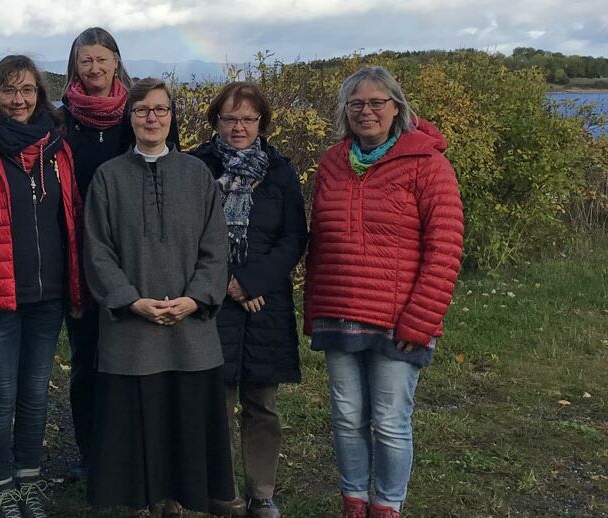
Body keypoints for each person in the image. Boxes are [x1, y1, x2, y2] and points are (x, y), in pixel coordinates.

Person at [304, 66, 464, 518]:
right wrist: (313, 308)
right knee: (347, 418)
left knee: (391, 423)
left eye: (377, 102)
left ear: (397, 107)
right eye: (357, 104)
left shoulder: (428, 164)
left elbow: (445, 247)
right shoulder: (333, 162)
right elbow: (320, 240)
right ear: (345, 111)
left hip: (398, 319)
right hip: (339, 311)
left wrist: (422, 319)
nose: (366, 111)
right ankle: (354, 502)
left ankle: (386, 506)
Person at [83, 77, 234, 518]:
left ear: (172, 117)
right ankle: (137, 501)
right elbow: (97, 249)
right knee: (135, 422)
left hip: (191, 329)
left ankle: (178, 500)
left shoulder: (196, 174)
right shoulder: (108, 178)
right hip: (131, 329)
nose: (152, 118)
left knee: (183, 419)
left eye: (161, 110)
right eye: (142, 110)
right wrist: (130, 300)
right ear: (129, 119)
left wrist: (195, 299)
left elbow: (215, 247)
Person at [0, 55, 83, 518]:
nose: (19, 100)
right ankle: (0, 480)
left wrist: (76, 289)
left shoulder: (57, 149)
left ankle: (29, 478)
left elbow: (71, 221)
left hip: (48, 299)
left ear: (39, 95)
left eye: (27, 90)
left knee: (36, 393)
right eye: (9, 91)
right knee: (0, 395)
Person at [58, 27, 179, 482]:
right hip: (82, 256)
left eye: (101, 59)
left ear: (115, 61)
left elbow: (170, 178)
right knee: (89, 359)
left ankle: (139, 451)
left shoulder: (143, 112)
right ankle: (93, 453)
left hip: (142, 255)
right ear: (75, 65)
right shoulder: (61, 120)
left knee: (139, 357)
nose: (93, 69)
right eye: (85, 61)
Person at [189, 82, 308, 518]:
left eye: (248, 119)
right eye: (230, 118)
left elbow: (294, 237)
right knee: (214, 401)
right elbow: (186, 236)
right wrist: (225, 283)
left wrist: (252, 282)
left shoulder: (279, 170)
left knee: (261, 403)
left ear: (262, 122)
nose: (238, 127)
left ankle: (262, 492)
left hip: (265, 304)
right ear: (215, 121)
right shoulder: (196, 166)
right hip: (210, 301)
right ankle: (222, 490)